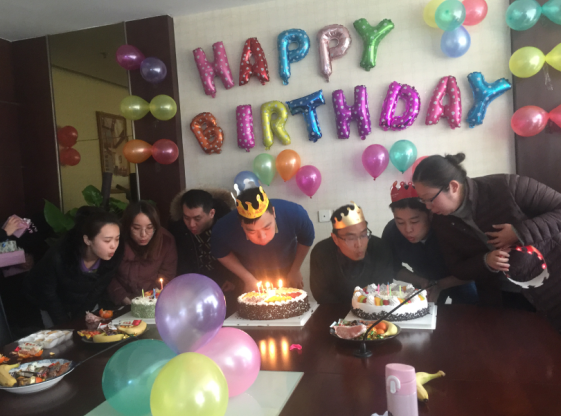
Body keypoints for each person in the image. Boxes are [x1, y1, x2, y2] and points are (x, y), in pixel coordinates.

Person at [413, 153, 561, 330]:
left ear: (453, 186)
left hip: (553, 280)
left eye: (430, 198)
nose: (428, 207)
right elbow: (457, 267)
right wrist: (486, 261)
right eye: (422, 200)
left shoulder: (506, 187)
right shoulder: (442, 222)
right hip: (502, 297)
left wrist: (519, 232)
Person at [382, 181, 478, 305]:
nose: (408, 229)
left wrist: (440, 284)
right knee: (420, 311)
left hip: (458, 279)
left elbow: (475, 268)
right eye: (400, 222)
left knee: (470, 308)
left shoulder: (448, 227)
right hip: (422, 281)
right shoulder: (392, 232)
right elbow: (393, 268)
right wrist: (422, 281)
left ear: (430, 214)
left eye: (414, 221)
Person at [24, 207, 123, 326]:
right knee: (59, 334)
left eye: (117, 239)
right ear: (87, 240)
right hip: (47, 302)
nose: (113, 246)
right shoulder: (60, 255)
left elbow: (97, 290)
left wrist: (80, 319)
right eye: (107, 241)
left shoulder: (114, 255)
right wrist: (67, 325)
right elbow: (49, 294)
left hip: (82, 302)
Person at [211, 186, 314, 291]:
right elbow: (221, 253)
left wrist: (295, 270)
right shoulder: (223, 227)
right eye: (252, 231)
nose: (262, 237)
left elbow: (306, 239)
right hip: (249, 270)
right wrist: (248, 279)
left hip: (288, 266)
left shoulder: (295, 213)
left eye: (267, 227)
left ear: (273, 212)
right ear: (241, 223)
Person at [310, 202, 395, 304]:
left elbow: (384, 288)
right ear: (335, 239)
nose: (359, 244)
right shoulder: (321, 252)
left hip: (374, 308)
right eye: (351, 238)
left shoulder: (380, 249)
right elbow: (320, 294)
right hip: (335, 310)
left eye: (363, 235)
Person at [168, 188, 238, 293]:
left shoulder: (229, 226)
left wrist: (233, 279)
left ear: (212, 213)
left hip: (226, 284)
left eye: (197, 219)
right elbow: (181, 263)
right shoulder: (178, 230)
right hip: (193, 287)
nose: (191, 224)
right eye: (186, 218)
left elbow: (241, 255)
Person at [108, 201, 177, 306]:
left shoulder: (166, 241)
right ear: (127, 226)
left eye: (149, 228)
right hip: (119, 302)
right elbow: (107, 274)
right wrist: (122, 297)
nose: (143, 234)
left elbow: (167, 275)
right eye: (136, 228)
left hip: (152, 302)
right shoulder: (116, 240)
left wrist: (149, 299)